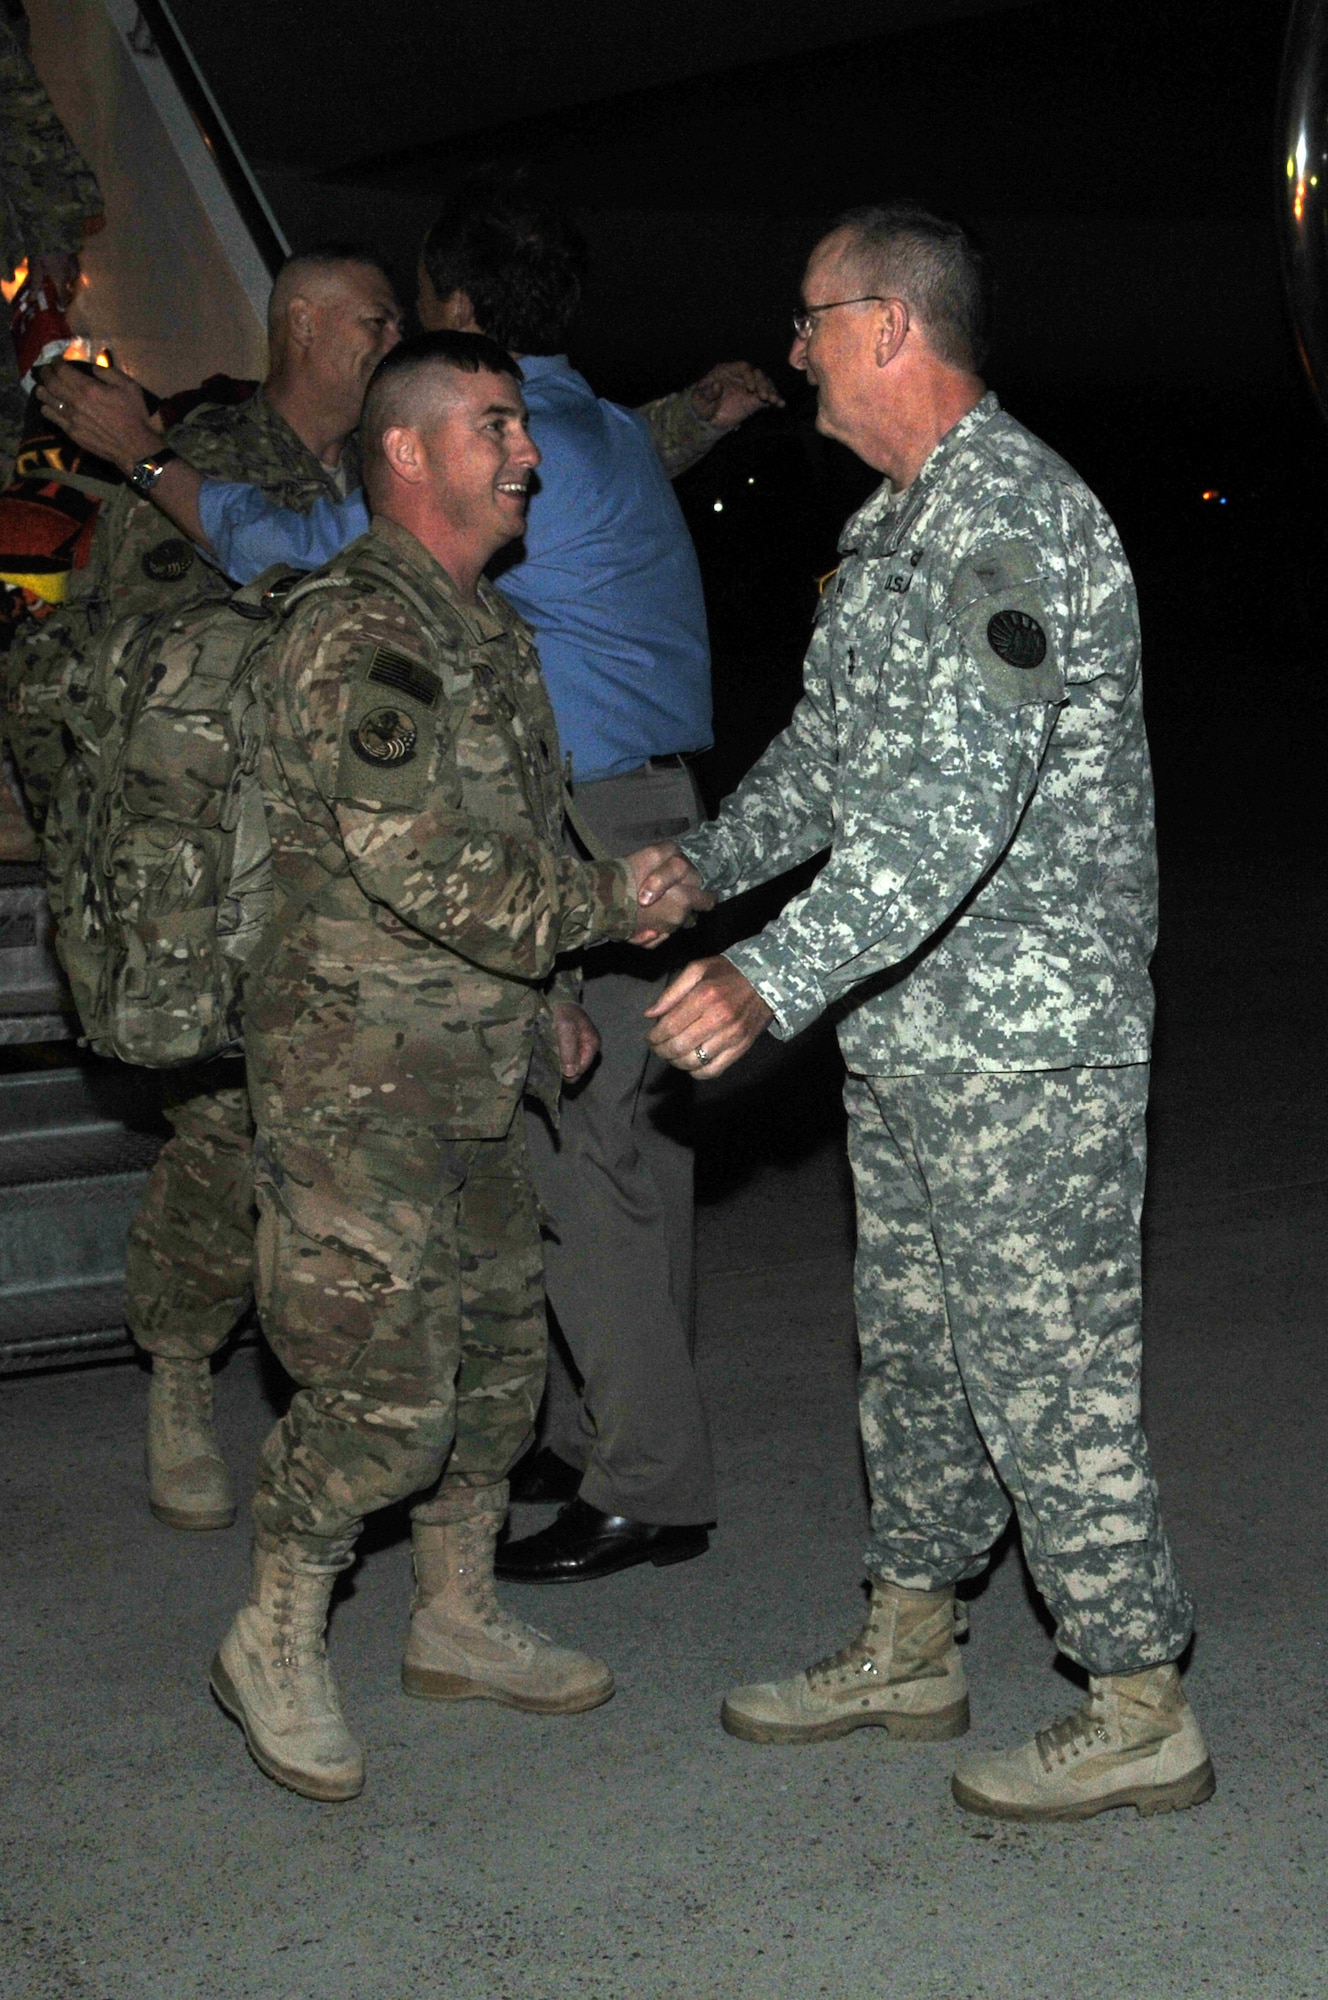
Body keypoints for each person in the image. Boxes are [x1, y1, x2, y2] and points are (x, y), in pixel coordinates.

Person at [43, 173, 783, 1582]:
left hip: (587, 821)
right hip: (653, 802)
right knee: (632, 1153)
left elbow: (318, 554)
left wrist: (150, 461)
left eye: (413, 315)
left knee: (586, 1161)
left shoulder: (519, 446)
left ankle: (644, 1478)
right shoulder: (605, 430)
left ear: (453, 316)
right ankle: (609, 1432)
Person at [638, 203, 1214, 1824]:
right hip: (916, 1030)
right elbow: (832, 763)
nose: (795, 345)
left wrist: (772, 973)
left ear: (891, 325)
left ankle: (1137, 1693)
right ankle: (914, 1637)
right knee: (917, 1354)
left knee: (1051, 1369)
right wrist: (704, 869)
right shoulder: (897, 528)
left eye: (813, 317)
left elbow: (957, 811)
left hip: (1030, 1043)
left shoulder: (1008, 523)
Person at [212, 330, 710, 1801]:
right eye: (495, 426)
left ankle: (454, 1615)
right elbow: (420, 861)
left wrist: (556, 985)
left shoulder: (484, 627)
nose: (528, 454)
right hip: (360, 1077)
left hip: (486, 1059)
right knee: (379, 1389)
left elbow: (515, 828)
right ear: (411, 451)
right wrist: (608, 911)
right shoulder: (359, 632)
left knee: (498, 1368)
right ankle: (277, 1634)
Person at [13, 248, 404, 1536]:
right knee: (228, 1132)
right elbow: (167, 661)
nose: (388, 339)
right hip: (221, 864)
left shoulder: (380, 463)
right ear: (302, 323)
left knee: (344, 1136)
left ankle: (328, 1393)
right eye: (373, 320)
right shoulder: (195, 460)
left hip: (352, 852)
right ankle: (179, 1375)